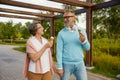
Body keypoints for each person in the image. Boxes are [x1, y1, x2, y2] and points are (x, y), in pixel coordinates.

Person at [56, 10, 90, 80]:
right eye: (64, 17)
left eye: (68, 17)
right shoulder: (61, 33)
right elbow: (59, 51)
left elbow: (87, 48)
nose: (66, 19)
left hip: (80, 63)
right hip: (66, 64)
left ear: (74, 18)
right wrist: (59, 67)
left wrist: (84, 41)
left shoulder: (81, 30)